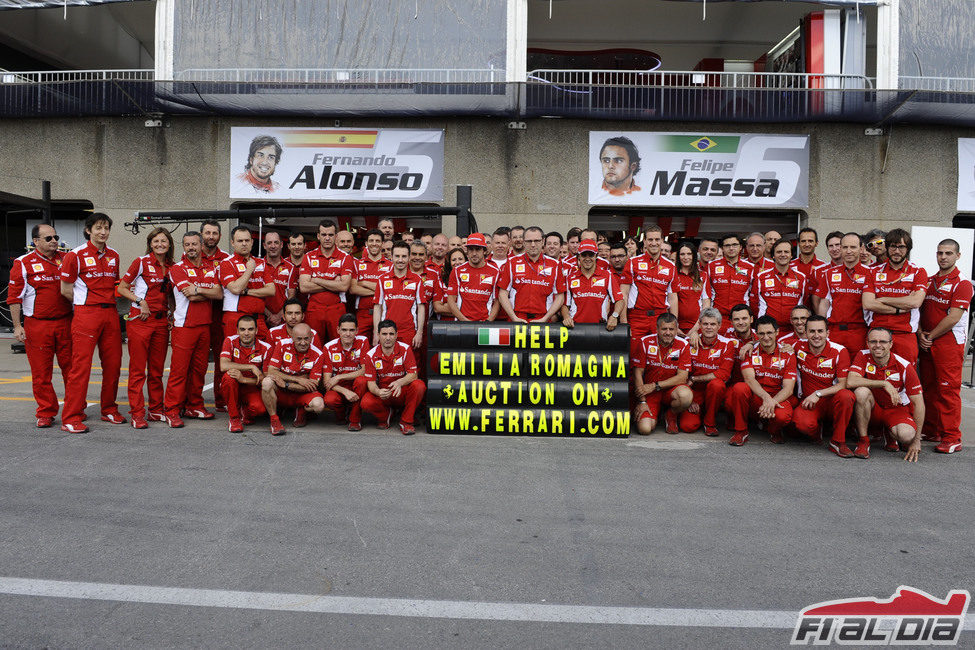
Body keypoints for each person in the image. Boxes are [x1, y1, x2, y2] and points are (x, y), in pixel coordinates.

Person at [58, 213, 125, 433]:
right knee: (81, 367)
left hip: (111, 314)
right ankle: (71, 416)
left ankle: (109, 409)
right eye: (98, 228)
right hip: (87, 315)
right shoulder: (75, 255)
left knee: (113, 365)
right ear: (88, 230)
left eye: (106, 228)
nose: (103, 232)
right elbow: (65, 290)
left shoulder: (114, 255)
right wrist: (84, 305)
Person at [8, 223, 73, 428]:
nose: (54, 241)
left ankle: (73, 410)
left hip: (66, 323)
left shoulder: (67, 259)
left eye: (55, 237)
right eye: (48, 238)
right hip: (38, 325)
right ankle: (46, 412)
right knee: (41, 373)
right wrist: (18, 326)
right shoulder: (23, 263)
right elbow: (14, 298)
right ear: (35, 241)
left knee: (72, 371)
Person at [918, 239, 972, 454]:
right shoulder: (930, 281)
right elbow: (918, 311)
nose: (943, 257)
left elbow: (953, 317)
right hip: (927, 341)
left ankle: (952, 437)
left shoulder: (963, 283)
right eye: (940, 253)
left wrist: (929, 335)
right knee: (929, 388)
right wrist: (921, 332)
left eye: (948, 253)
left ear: (957, 256)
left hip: (948, 344)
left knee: (947, 390)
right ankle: (932, 430)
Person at [165, 231, 224, 428]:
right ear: (184, 247)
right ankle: (171, 410)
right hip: (184, 326)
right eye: (187, 244)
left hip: (204, 326)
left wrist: (198, 290)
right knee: (179, 372)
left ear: (201, 246)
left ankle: (194, 405)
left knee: (199, 370)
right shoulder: (177, 268)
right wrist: (206, 293)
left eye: (194, 244)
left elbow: (219, 294)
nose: (191, 248)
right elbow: (190, 296)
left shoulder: (210, 267)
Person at [117, 227, 174, 429]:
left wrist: (172, 314)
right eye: (156, 241)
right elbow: (122, 288)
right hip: (140, 320)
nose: (160, 244)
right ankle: (137, 412)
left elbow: (170, 295)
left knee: (157, 371)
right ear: (150, 243)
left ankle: (156, 409)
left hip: (160, 322)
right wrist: (140, 300)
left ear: (169, 244)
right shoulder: (140, 262)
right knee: (138, 370)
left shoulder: (171, 266)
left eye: (163, 241)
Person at [847, 327, 924, 461]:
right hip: (874, 408)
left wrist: (916, 440)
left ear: (891, 344)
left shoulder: (904, 366)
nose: (877, 345)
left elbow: (919, 403)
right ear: (867, 343)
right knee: (861, 392)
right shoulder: (863, 355)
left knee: (907, 436)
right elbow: (851, 381)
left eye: (882, 342)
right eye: (873, 341)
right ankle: (864, 441)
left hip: (895, 408)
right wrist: (884, 383)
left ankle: (889, 433)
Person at [725, 315, 797, 446]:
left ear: (777, 332)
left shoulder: (788, 353)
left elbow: (789, 388)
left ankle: (773, 430)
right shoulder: (749, 351)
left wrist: (772, 401)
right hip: (757, 396)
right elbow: (749, 379)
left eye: (769, 332)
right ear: (756, 334)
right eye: (761, 333)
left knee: (782, 417)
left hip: (777, 397)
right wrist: (766, 398)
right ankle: (741, 431)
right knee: (739, 388)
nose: (766, 337)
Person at [791, 315, 856, 456]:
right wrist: (750, 344)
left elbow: (844, 383)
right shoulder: (797, 346)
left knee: (847, 396)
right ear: (806, 333)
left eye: (820, 331)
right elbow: (769, 343)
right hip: (809, 403)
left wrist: (818, 393)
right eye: (812, 331)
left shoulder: (840, 351)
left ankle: (838, 441)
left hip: (832, 401)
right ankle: (816, 433)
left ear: (827, 333)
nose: (816, 335)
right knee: (803, 424)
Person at [862, 228, 928, 363]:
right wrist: (900, 308)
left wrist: (883, 299)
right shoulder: (872, 272)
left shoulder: (918, 272)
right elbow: (868, 304)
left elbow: (915, 302)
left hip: (904, 335)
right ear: (887, 247)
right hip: (877, 334)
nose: (897, 251)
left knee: (905, 379)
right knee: (876, 378)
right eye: (893, 246)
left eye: (902, 247)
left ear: (908, 249)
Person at [619, 224, 678, 360]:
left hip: (661, 318)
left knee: (658, 357)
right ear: (644, 241)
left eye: (657, 239)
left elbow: (673, 297)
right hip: (637, 317)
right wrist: (624, 321)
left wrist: (674, 323)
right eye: (650, 240)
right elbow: (624, 293)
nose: (654, 243)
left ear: (662, 241)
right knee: (634, 356)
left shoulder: (671, 266)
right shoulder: (633, 263)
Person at [361, 319, 426, 434]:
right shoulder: (370, 355)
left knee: (419, 385)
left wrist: (399, 382)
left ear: (396, 335)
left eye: (391, 334)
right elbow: (370, 383)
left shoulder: (405, 349)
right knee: (366, 402)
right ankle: (386, 415)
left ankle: (406, 422)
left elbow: (413, 374)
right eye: (384, 334)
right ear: (378, 335)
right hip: (383, 394)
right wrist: (378, 392)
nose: (388, 338)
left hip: (400, 391)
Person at [633, 313, 692, 435]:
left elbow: (682, 377)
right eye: (664, 329)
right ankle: (655, 414)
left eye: (671, 329)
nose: (668, 333)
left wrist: (655, 385)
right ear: (657, 329)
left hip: (670, 390)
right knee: (645, 429)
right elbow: (637, 373)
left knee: (685, 396)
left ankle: (670, 414)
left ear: (676, 329)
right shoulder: (645, 342)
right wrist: (642, 402)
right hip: (650, 393)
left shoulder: (683, 344)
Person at [261, 323, 325, 435]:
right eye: (299, 339)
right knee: (267, 382)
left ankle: (301, 410)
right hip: (282, 391)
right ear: (292, 338)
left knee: (319, 406)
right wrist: (299, 379)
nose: (303, 342)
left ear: (311, 337)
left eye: (306, 338)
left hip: (299, 393)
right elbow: (271, 371)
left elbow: (313, 385)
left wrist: (286, 384)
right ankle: (274, 420)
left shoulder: (319, 354)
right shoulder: (282, 345)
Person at [815, 233, 871, 356]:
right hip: (834, 331)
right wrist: (821, 330)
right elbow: (824, 304)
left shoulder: (870, 273)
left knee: (857, 370)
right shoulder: (829, 273)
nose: (849, 251)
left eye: (853, 247)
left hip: (859, 332)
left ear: (861, 249)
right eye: (845, 247)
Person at [299, 219, 355, 341]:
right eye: (324, 235)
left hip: (336, 307)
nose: (327, 238)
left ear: (335, 236)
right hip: (314, 308)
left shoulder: (345, 257)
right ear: (318, 236)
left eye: (330, 235)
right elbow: (303, 287)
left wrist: (317, 279)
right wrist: (334, 283)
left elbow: (344, 286)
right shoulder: (308, 256)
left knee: (338, 344)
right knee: (313, 344)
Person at [680, 308, 734, 436]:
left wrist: (695, 379)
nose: (709, 327)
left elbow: (724, 374)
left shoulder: (727, 344)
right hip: (693, 392)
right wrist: (687, 399)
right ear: (699, 325)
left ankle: (710, 423)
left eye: (713, 324)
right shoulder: (688, 343)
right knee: (688, 426)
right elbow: (681, 374)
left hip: (714, 392)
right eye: (705, 324)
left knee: (717, 384)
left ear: (719, 326)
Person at [497, 226, 566, 323]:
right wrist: (514, 317)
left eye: (536, 241)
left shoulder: (555, 264)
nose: (533, 245)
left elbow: (560, 297)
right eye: (529, 241)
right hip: (517, 319)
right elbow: (502, 294)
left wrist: (545, 318)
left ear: (542, 241)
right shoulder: (512, 262)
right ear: (524, 242)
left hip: (543, 320)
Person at [220, 315, 273, 433]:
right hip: (234, 386)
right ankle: (234, 418)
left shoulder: (266, 348)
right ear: (237, 330)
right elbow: (223, 365)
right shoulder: (230, 341)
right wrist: (251, 366)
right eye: (242, 329)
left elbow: (264, 379)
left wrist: (243, 379)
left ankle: (244, 411)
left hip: (252, 387)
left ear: (257, 330)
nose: (246, 333)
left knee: (260, 409)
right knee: (228, 377)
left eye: (250, 329)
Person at [220, 226, 274, 341]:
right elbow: (235, 289)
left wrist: (248, 291)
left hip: (258, 319)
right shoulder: (226, 263)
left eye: (247, 240)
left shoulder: (261, 263)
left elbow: (271, 290)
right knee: (235, 355)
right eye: (240, 241)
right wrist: (249, 269)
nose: (244, 244)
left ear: (252, 242)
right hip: (235, 317)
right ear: (233, 243)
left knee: (262, 355)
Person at [319, 314, 371, 431]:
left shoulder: (363, 341)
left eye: (352, 330)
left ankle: (355, 419)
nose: (348, 334)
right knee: (329, 400)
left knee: (362, 381)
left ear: (357, 330)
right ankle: (341, 414)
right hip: (339, 387)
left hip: (356, 385)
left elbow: (365, 371)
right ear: (338, 330)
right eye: (344, 330)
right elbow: (327, 381)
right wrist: (345, 391)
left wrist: (339, 377)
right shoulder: (328, 347)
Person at [201, 219, 231, 411]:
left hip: (220, 316)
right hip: (198, 316)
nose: (211, 236)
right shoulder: (192, 255)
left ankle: (221, 400)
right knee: (199, 361)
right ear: (202, 234)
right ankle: (193, 400)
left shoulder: (226, 258)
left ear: (220, 236)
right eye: (208, 233)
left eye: (214, 233)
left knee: (222, 360)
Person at [561, 240, 624, 330]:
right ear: (578, 257)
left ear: (596, 256)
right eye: (584, 255)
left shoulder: (607, 275)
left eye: (590, 255)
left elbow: (620, 300)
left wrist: (614, 316)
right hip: (576, 328)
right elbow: (565, 304)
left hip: (601, 328)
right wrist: (566, 317)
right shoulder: (570, 277)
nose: (587, 258)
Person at [374, 241, 425, 347]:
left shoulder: (417, 280)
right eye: (397, 256)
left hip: (409, 331)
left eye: (404, 256)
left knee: (409, 362)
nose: (400, 260)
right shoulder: (382, 279)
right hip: (386, 331)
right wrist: (376, 332)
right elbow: (377, 307)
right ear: (391, 257)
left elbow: (421, 308)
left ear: (409, 257)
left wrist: (419, 333)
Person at [752, 239, 808, 334]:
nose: (782, 255)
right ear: (773, 255)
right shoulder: (761, 277)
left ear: (791, 255)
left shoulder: (801, 277)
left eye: (786, 252)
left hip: (793, 330)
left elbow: (805, 302)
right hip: (768, 331)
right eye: (779, 252)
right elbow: (754, 304)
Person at [446, 233, 500, 321]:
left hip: (484, 324)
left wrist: (488, 321)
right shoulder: (457, 271)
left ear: (484, 251)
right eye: (471, 249)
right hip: (462, 324)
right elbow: (451, 300)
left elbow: (497, 301)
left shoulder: (495, 272)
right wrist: (464, 320)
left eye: (478, 249)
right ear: (467, 250)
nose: (474, 253)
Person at [708, 234, 754, 336]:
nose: (731, 248)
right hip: (717, 318)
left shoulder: (751, 268)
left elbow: (754, 296)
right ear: (722, 248)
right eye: (727, 245)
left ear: (740, 247)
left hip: (740, 319)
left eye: (734, 245)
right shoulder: (711, 266)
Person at [348, 228, 389, 337]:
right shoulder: (356, 264)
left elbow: (390, 290)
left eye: (377, 241)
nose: (374, 244)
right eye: (371, 241)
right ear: (366, 243)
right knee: (359, 345)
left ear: (383, 243)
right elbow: (353, 289)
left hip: (384, 313)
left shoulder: (391, 266)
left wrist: (364, 283)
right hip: (362, 314)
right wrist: (380, 291)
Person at [673, 241, 711, 337]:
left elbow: (706, 302)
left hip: (697, 325)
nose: (686, 257)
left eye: (689, 254)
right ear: (678, 256)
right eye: (682, 254)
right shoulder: (673, 274)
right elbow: (668, 301)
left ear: (694, 255)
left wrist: (697, 327)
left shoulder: (703, 275)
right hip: (675, 326)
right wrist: (673, 326)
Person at [262, 230, 296, 328]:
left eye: (276, 242)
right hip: (262, 317)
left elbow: (291, 296)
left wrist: (278, 316)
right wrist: (270, 315)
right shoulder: (258, 266)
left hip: (283, 319)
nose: (273, 246)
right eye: (269, 243)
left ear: (281, 245)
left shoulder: (290, 267)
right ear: (264, 245)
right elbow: (255, 294)